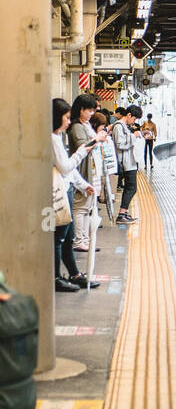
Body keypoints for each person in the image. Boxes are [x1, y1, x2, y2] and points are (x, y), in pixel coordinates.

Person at [52, 99, 106, 291]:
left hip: (65, 189)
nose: (68, 122)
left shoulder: (58, 137)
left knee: (67, 237)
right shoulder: (52, 138)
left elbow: (67, 169)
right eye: (65, 118)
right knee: (59, 237)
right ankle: (56, 278)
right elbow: (66, 166)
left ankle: (74, 274)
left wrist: (83, 185)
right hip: (57, 193)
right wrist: (82, 152)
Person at [67, 95, 98, 250]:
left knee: (86, 208)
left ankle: (84, 240)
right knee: (80, 208)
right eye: (89, 110)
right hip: (81, 171)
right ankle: (79, 241)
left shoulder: (84, 125)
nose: (91, 113)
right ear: (81, 110)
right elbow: (82, 147)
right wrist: (97, 139)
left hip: (87, 171)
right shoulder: (76, 127)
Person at [110, 106, 140, 225]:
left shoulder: (123, 127)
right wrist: (134, 136)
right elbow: (120, 144)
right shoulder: (118, 126)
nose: (134, 121)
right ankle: (121, 214)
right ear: (129, 115)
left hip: (130, 162)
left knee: (130, 187)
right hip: (125, 163)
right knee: (131, 188)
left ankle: (124, 213)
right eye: (134, 118)